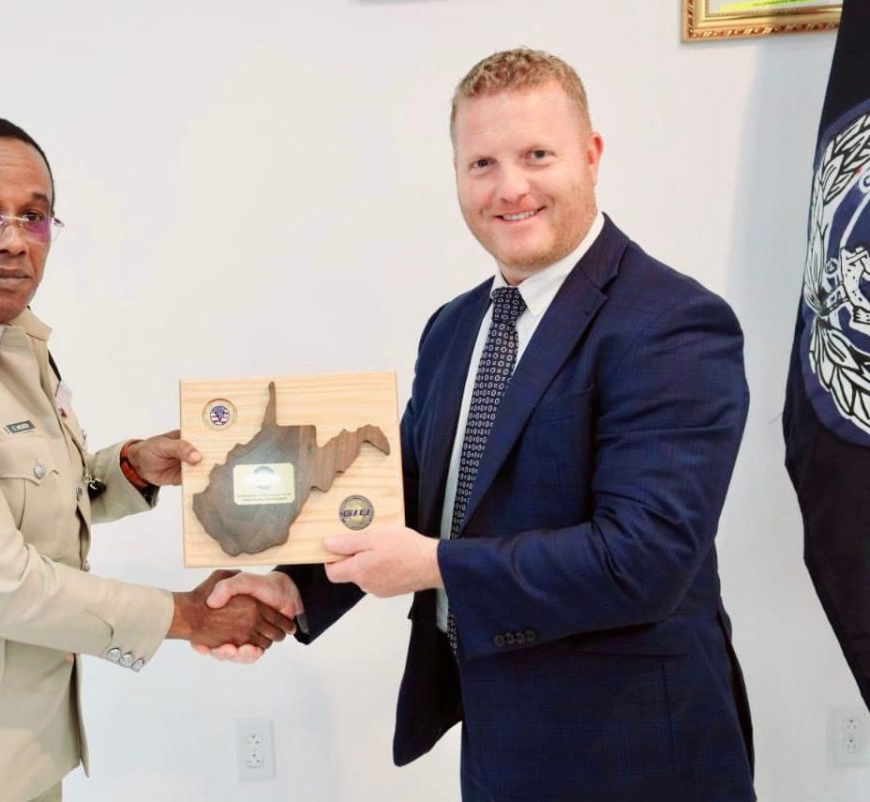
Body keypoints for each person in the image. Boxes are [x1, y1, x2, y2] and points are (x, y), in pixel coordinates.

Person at [204, 49, 756, 801]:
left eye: (537, 155)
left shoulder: (672, 324)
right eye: (482, 163)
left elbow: (644, 560)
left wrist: (435, 566)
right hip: (499, 734)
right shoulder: (456, 327)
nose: (510, 187)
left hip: (635, 748)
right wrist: (292, 586)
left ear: (591, 157)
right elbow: (399, 485)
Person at [0, 115, 293, 802]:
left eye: (34, 217)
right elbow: (0, 583)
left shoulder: (5, 342)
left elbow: (21, 494)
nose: (12, 240)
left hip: (16, 746)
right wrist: (190, 615)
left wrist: (126, 469)